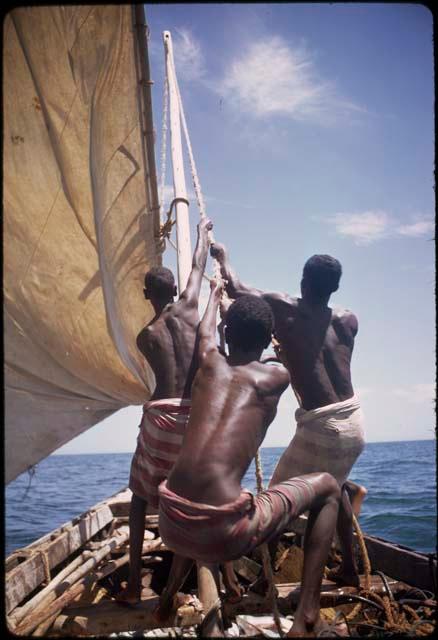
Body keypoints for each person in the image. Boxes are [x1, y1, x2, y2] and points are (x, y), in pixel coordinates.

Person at [157, 282, 344, 636]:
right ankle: (307, 616)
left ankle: (168, 595)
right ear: (267, 338)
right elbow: (284, 356)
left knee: (193, 502)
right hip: (224, 535)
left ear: (227, 332)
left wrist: (214, 295)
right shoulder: (276, 377)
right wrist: (272, 341)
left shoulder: (208, 362)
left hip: (171, 523)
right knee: (330, 488)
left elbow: (206, 332)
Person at [210, 245, 366, 588]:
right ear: (335, 288)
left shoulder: (288, 309)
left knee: (275, 502)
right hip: (355, 423)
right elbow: (318, 354)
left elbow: (237, 290)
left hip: (323, 426)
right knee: (335, 490)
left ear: (303, 280)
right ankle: (350, 570)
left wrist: (221, 257)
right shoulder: (348, 321)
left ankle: (266, 579)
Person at [116, 217, 213, 604]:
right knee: (194, 493)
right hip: (194, 413)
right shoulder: (190, 307)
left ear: (145, 295)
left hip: (160, 415)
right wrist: (204, 235)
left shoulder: (145, 336)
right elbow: (198, 266)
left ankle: (134, 581)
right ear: (175, 289)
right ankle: (220, 578)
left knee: (141, 496)